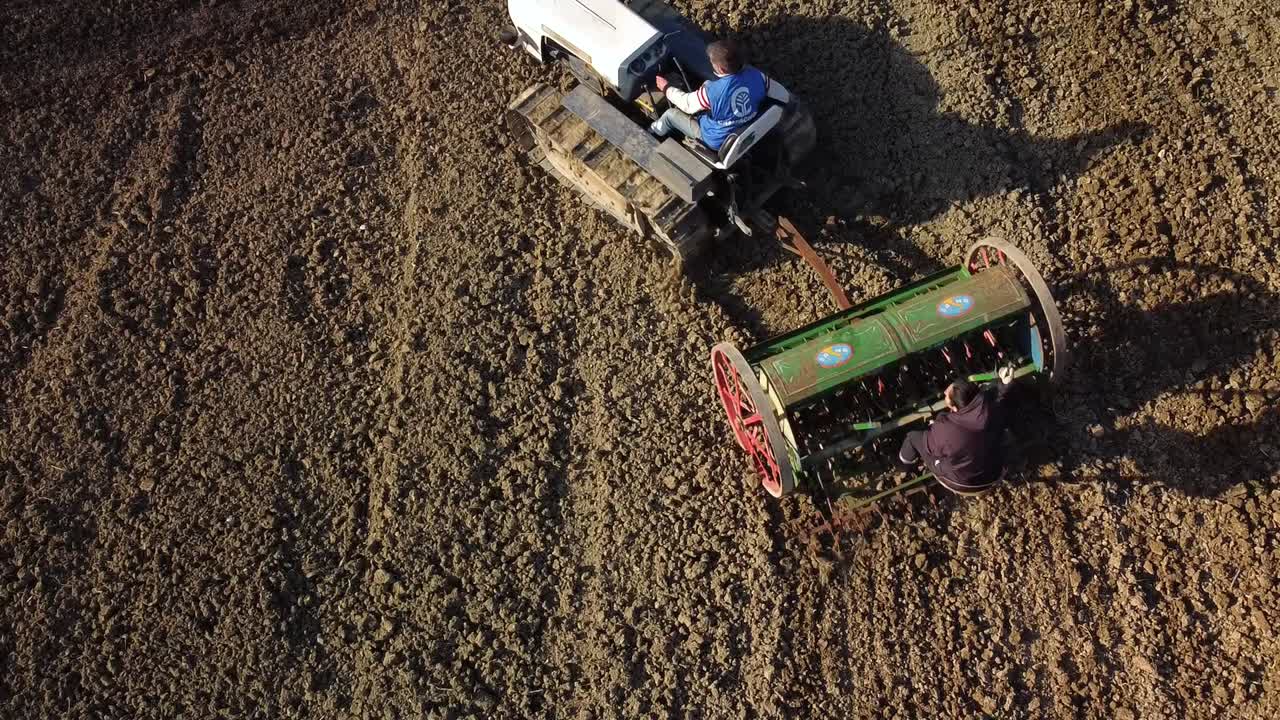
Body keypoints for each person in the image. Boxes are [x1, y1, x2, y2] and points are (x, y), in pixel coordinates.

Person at [898, 367, 1016, 494]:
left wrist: (934, 430)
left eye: (946, 396)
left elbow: (932, 448)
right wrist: (1004, 384)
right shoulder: (991, 410)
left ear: (954, 408)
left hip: (965, 483)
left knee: (912, 438)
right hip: (994, 472)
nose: (944, 392)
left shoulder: (946, 429)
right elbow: (1001, 398)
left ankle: (904, 467)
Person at [648, 39, 770, 152]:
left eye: (712, 62)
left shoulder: (712, 91)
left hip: (716, 140)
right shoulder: (757, 75)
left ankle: (652, 132)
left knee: (670, 114)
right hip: (745, 126)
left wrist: (666, 88)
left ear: (721, 69)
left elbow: (686, 104)